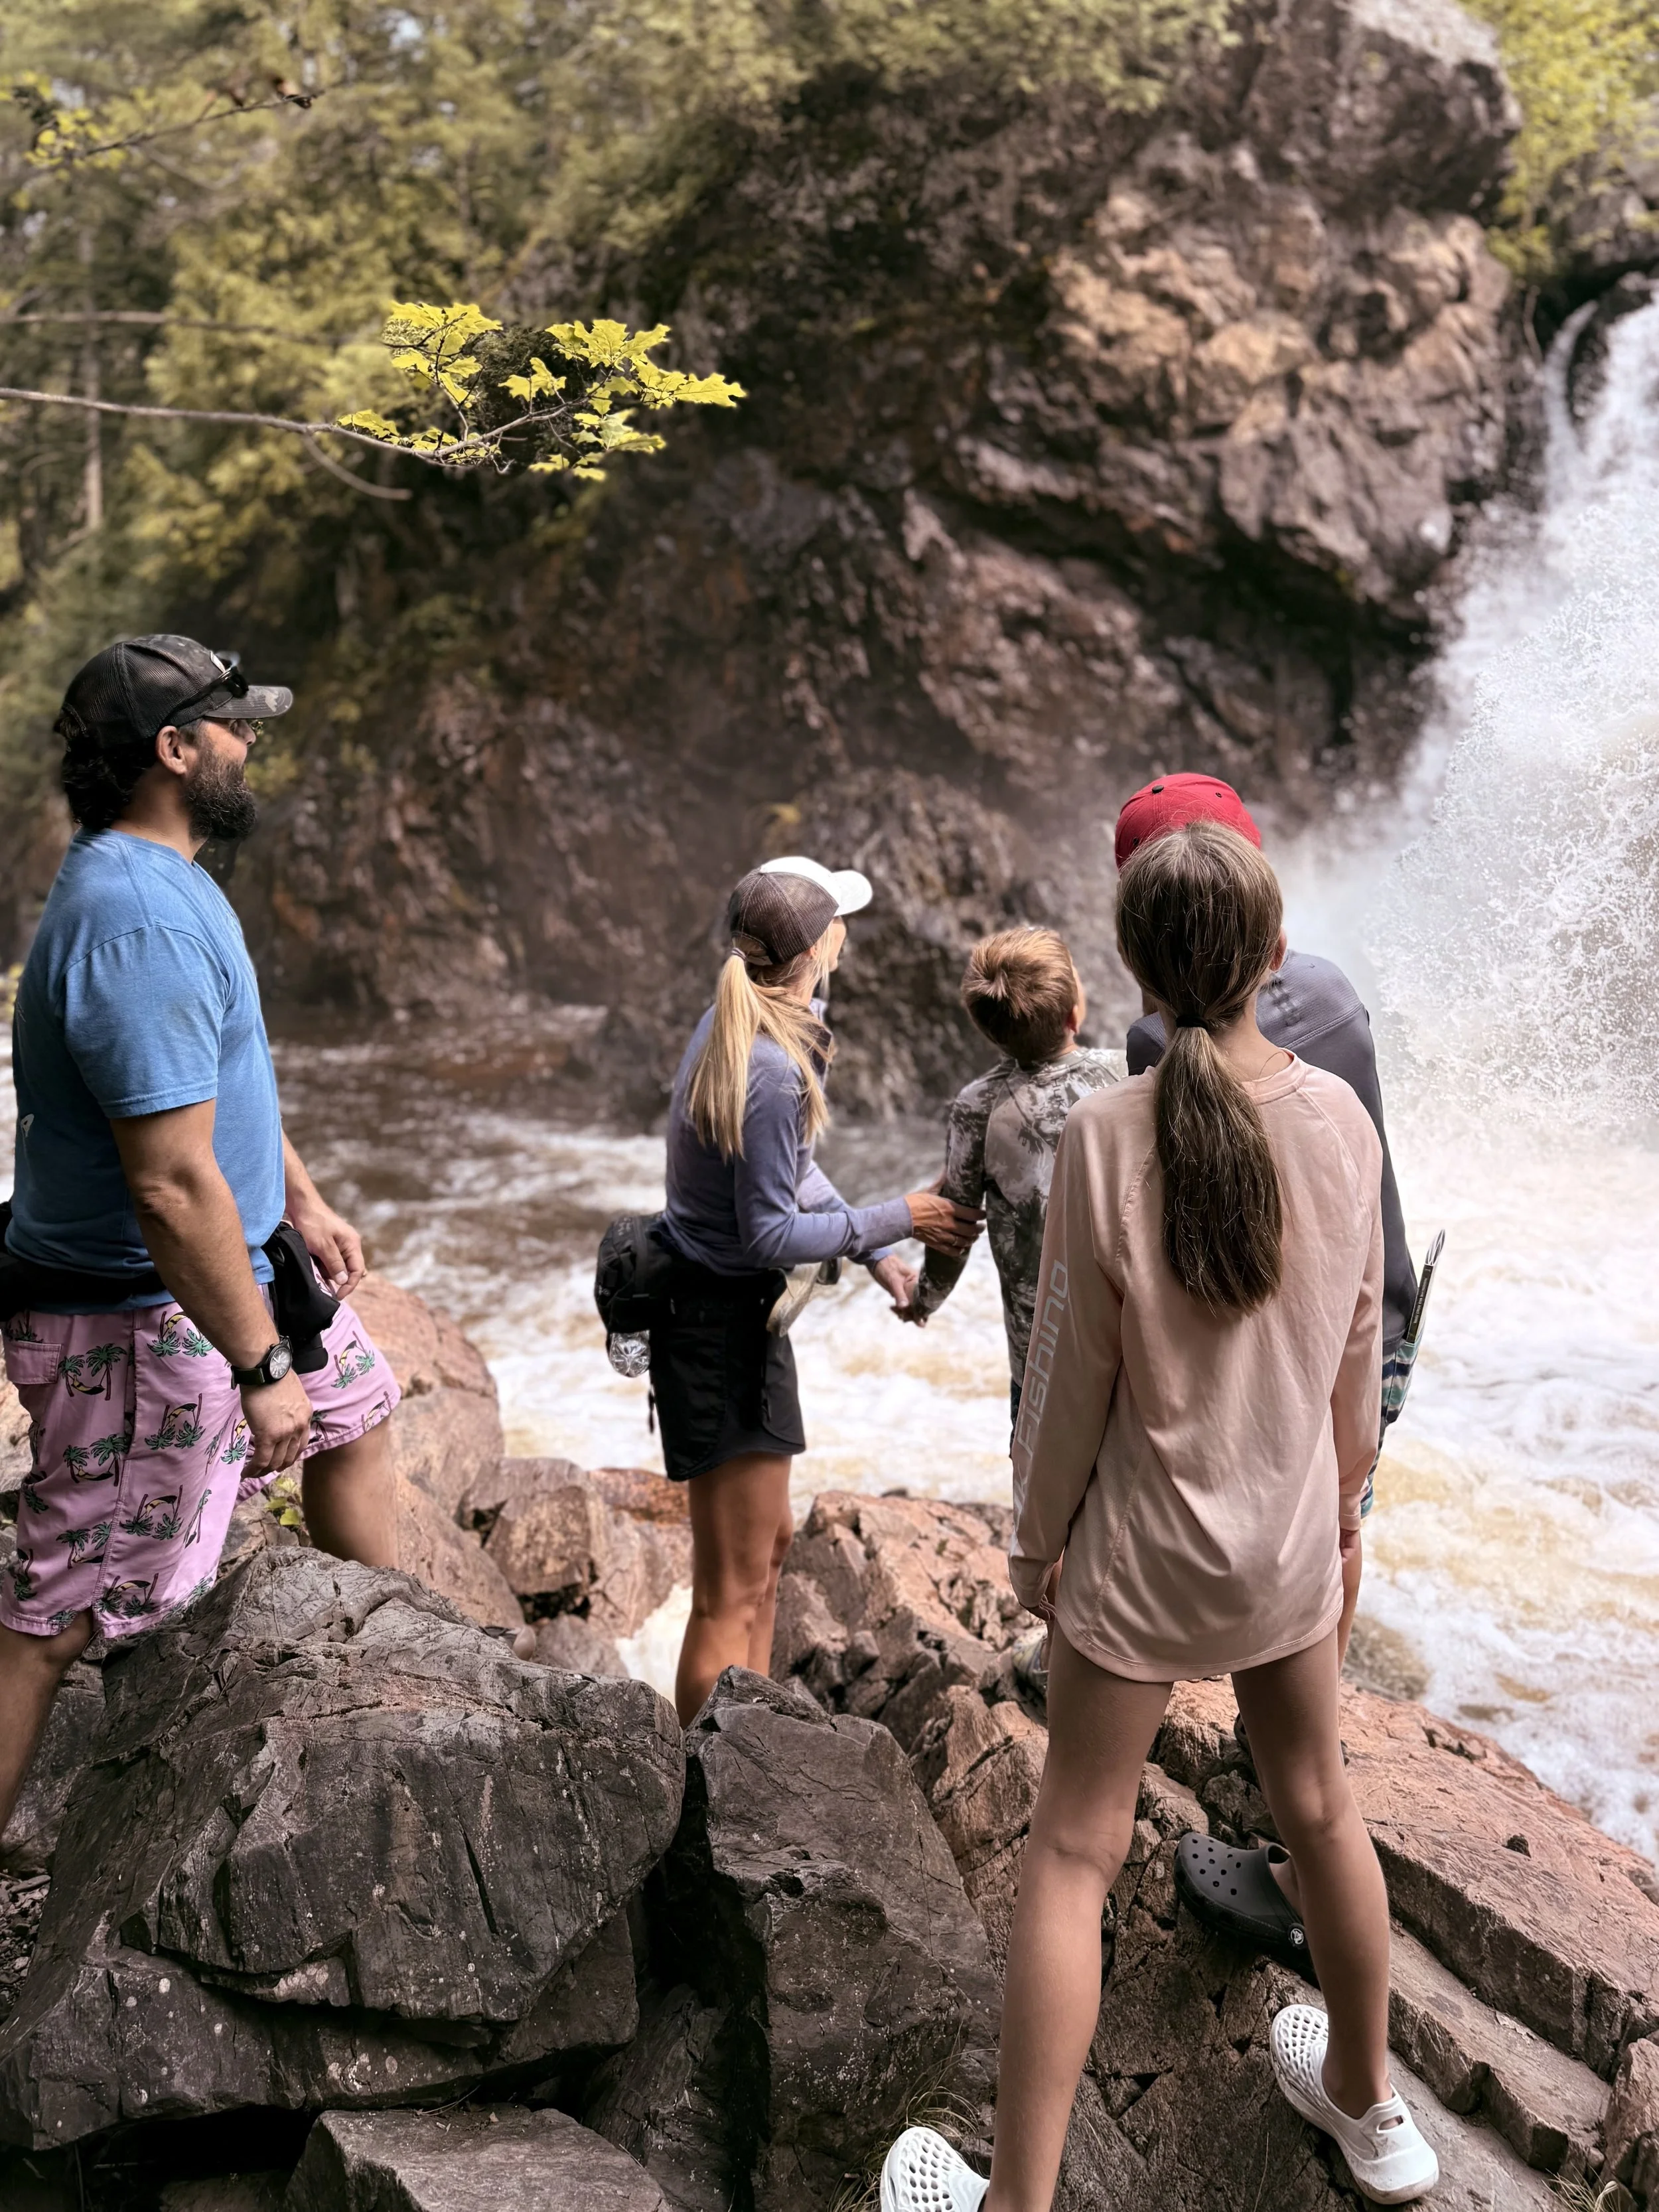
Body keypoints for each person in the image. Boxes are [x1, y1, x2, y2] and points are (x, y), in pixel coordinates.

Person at [881, 821, 1437, 2210]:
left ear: (1131, 969)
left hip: (1139, 1562)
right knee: (1318, 1806)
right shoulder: (1341, 1122)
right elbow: (1360, 1346)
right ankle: (1375, 2114)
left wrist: (1030, 1544)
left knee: (1074, 1847)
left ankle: (1015, 2199)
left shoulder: (1106, 1136)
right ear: (1269, 956)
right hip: (1285, 1553)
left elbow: (1069, 1373)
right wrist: (1345, 1507)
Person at [0, 634, 400, 1846]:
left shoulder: (167, 878)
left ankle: (393, 1672)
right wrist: (258, 1365)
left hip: (241, 1264)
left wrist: (305, 1202)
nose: (252, 741)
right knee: (55, 1611)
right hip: (135, 1316)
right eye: (234, 725)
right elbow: (171, 1183)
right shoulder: (137, 926)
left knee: (363, 1407)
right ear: (174, 751)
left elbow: (211, 1089)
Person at [655, 855, 982, 1724]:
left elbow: (793, 1172)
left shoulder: (762, 1023)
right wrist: (900, 1216)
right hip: (717, 1326)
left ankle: (743, 1748)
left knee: (768, 1553)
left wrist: (878, 1256)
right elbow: (768, 1232)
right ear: (818, 947)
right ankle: (705, 1785)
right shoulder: (767, 1064)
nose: (850, 932)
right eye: (841, 920)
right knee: (730, 1588)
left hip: (732, 1321)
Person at [1116, 773, 1416, 1672]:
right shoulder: (1332, 995)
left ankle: (1235, 1678)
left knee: (1264, 1511)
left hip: (1257, 1336)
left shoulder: (1154, 1046)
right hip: (1376, 1317)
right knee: (1341, 1515)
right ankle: (1319, 1708)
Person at [904, 928, 1120, 1430]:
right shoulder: (1125, 1072)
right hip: (1121, 1336)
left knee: (1041, 1489)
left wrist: (923, 1299)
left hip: (1039, 1359)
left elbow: (952, 1230)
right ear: (1073, 1012)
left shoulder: (976, 1108)